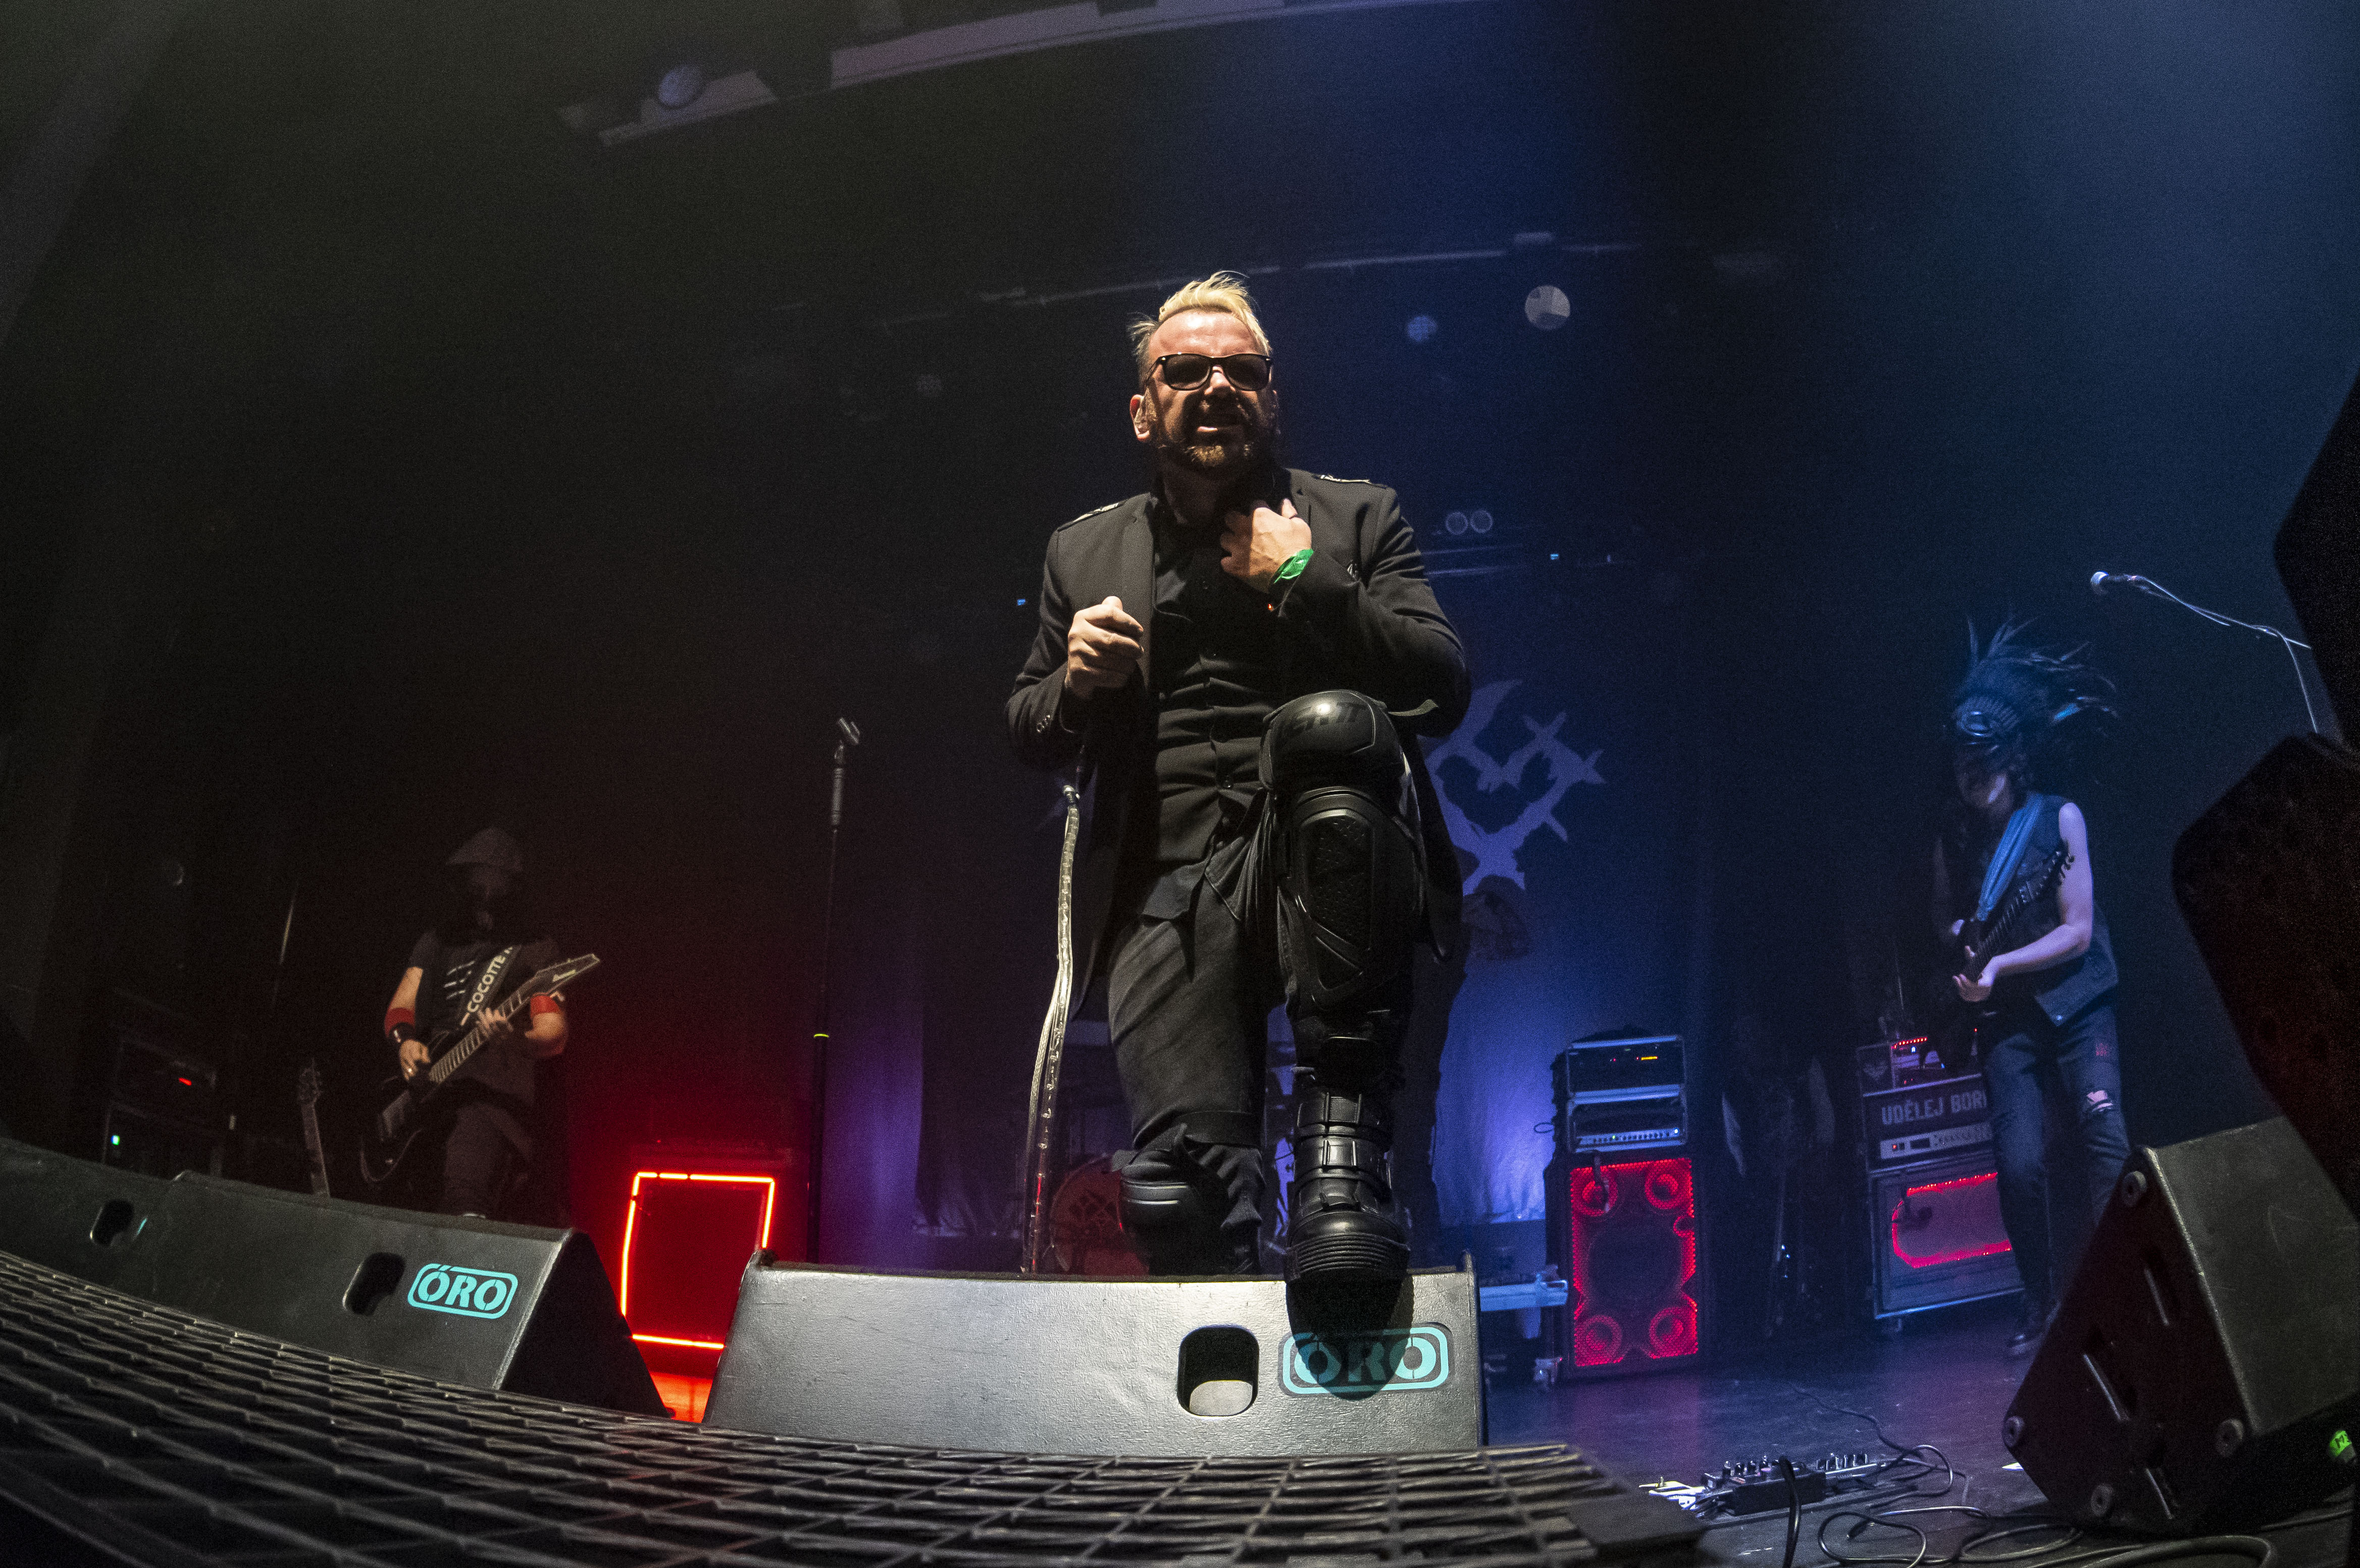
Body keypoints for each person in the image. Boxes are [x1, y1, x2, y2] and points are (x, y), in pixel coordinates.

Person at [1007, 274, 1470, 1282]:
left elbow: (1441, 689)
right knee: (1182, 1204)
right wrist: (1074, 686)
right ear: (1144, 410)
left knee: (1329, 730)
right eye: (1185, 370)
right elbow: (1028, 728)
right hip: (1168, 887)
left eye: (1242, 370)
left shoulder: (1355, 518)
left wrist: (1309, 582)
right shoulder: (1084, 551)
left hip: (1328, 877)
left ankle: (1340, 1150)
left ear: (1272, 397)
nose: (1216, 386)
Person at [1930, 629, 2125, 1354]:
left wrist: (2001, 965)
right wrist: (1963, 937)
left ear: (2009, 759)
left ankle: (2117, 1292)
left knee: (2105, 1140)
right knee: (2017, 1164)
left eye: (1981, 760)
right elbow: (1941, 915)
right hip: (2008, 1019)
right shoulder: (1952, 840)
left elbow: (2077, 930)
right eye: (1961, 761)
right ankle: (2041, 1301)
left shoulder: (2058, 818)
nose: (1970, 774)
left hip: (2078, 1001)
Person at [379, 828, 567, 1218]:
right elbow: (401, 1008)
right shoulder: (437, 941)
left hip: (490, 1100)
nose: (485, 893)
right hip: (429, 1096)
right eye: (477, 883)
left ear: (514, 887)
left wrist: (513, 1038)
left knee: (465, 1199)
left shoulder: (535, 950)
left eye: (496, 884)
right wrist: (406, 1042)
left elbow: (553, 1034)